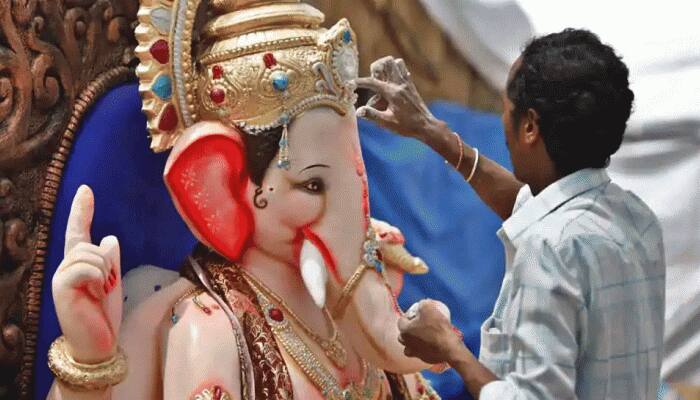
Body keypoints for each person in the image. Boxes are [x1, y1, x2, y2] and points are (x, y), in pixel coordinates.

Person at [355, 28, 666, 399]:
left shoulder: (548, 249)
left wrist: (448, 348)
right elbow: (527, 205)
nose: (503, 126)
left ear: (530, 126)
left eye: (506, 110)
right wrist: (429, 131)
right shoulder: (635, 218)